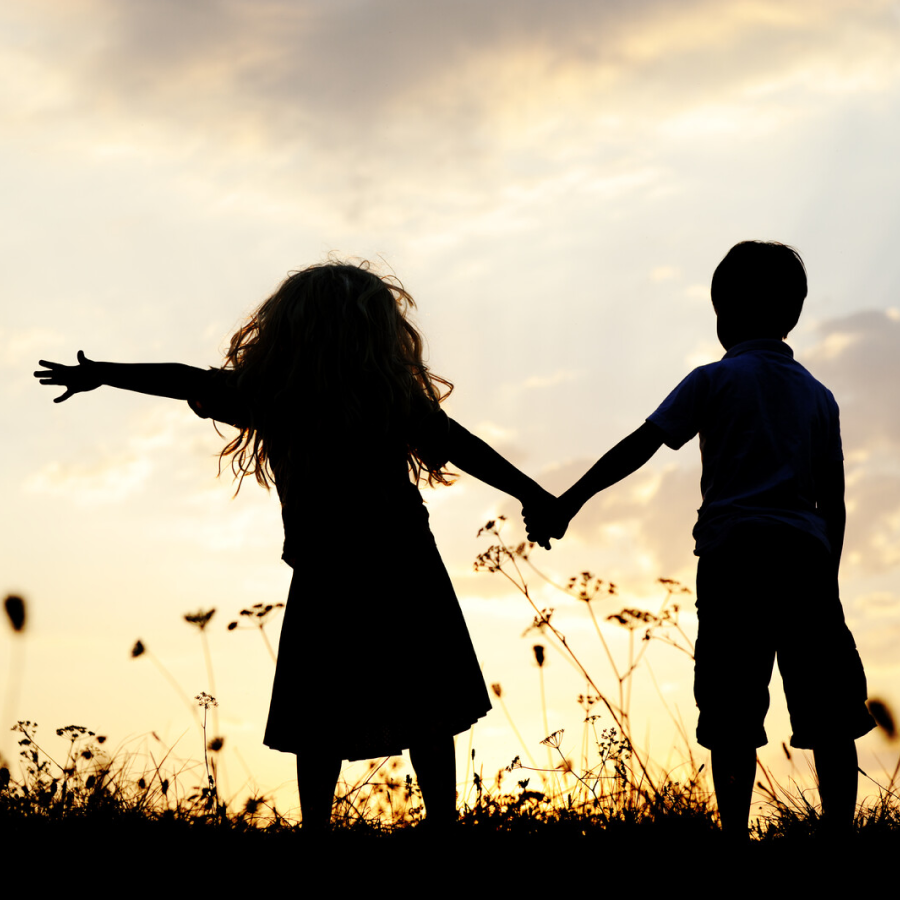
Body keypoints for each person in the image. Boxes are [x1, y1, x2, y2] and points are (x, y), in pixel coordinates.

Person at [35, 260, 553, 831]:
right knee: (424, 700)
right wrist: (536, 496)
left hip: (327, 566)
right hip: (402, 562)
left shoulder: (272, 395)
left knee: (321, 704)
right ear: (377, 329)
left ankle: (316, 830)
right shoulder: (385, 395)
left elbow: (184, 378)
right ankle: (441, 826)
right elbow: (465, 448)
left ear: (287, 328)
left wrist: (104, 372)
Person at [524, 241, 874, 840]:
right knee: (831, 713)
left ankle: (733, 836)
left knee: (731, 711)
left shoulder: (713, 379)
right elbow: (833, 501)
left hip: (733, 559)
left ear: (723, 314)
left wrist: (568, 502)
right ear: (791, 315)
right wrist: (830, 581)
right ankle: (840, 835)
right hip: (804, 562)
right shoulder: (819, 396)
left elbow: (643, 444)